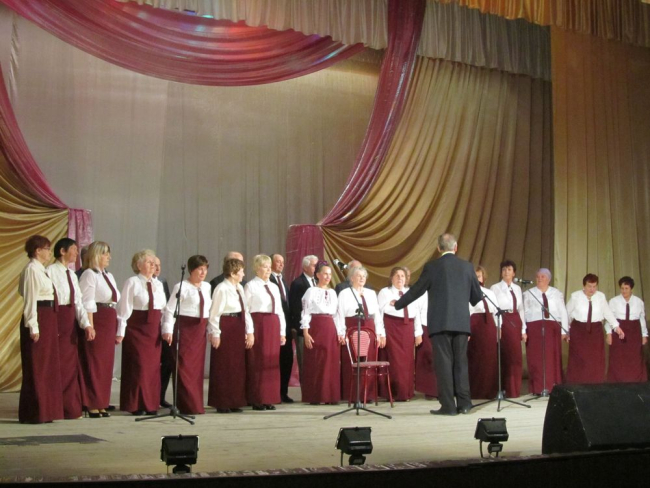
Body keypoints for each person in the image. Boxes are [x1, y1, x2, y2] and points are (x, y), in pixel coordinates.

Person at [394, 233, 482, 416]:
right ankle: (465, 404)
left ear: (438, 248)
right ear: (455, 247)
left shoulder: (432, 267)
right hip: (461, 323)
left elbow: (417, 290)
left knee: (444, 365)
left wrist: (399, 304)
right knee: (461, 363)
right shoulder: (467, 267)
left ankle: (448, 406)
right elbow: (476, 297)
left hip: (440, 323)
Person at [17, 235, 64, 423]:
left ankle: (46, 410)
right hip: (39, 317)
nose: (49, 252)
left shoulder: (41, 270)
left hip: (48, 317)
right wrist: (33, 325)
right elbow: (30, 299)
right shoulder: (31, 270)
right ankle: (35, 412)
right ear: (37, 251)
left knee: (47, 366)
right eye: (47, 249)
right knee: (38, 366)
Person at [116, 249, 167, 415]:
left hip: (153, 330)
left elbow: (163, 309)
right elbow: (124, 308)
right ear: (138, 266)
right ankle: (135, 404)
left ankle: (150, 404)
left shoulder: (158, 284)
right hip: (137, 329)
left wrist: (166, 329)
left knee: (152, 368)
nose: (153, 265)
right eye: (148, 262)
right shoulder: (132, 282)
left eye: (154, 263)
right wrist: (120, 331)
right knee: (139, 366)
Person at [48, 238, 94, 419]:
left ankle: (69, 407)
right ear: (62, 251)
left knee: (69, 366)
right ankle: (54, 407)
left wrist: (86, 324)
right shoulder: (50, 271)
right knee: (56, 365)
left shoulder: (73, 275)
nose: (76, 253)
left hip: (70, 323)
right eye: (73, 249)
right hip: (56, 319)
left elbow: (78, 303)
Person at [162, 255, 211, 414]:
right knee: (184, 367)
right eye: (199, 269)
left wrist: (211, 330)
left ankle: (195, 405)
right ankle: (185, 405)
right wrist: (168, 329)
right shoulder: (181, 286)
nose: (203, 273)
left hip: (199, 331)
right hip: (185, 329)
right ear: (191, 270)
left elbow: (208, 309)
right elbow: (170, 310)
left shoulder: (207, 287)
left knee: (196, 370)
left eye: (205, 269)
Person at [79, 241, 120, 418]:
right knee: (94, 362)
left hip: (109, 318)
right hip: (98, 318)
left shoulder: (108, 275)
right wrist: (90, 325)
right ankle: (91, 403)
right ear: (96, 255)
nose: (108, 257)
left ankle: (102, 402)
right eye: (105, 253)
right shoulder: (89, 274)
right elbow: (87, 301)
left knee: (105, 363)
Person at [207, 258, 254, 413]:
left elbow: (246, 311)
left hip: (237, 326)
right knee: (224, 365)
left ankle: (235, 400)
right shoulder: (221, 288)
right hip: (226, 325)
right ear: (233, 273)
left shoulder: (239, 288)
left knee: (236, 366)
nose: (243, 274)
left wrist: (249, 331)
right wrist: (215, 333)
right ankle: (222, 401)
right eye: (241, 271)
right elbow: (214, 313)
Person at [336, 266, 386, 402]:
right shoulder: (344, 293)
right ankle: (353, 395)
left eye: (364, 276)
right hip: (352, 326)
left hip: (369, 327)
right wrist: (341, 332)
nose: (362, 278)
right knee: (353, 361)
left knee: (369, 362)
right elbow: (340, 314)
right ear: (352, 278)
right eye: (359, 276)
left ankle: (367, 395)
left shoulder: (371, 293)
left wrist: (380, 333)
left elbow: (377, 315)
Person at [245, 255, 286, 410]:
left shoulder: (274, 287)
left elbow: (279, 310)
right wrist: (250, 331)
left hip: (273, 324)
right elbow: (246, 310)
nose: (268, 270)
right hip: (259, 324)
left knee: (271, 360)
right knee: (258, 361)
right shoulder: (251, 286)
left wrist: (282, 331)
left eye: (269, 267)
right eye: (265, 267)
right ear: (257, 268)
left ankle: (269, 398)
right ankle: (257, 398)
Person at [565, 273, 623, 383]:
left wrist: (616, 326)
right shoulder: (575, 296)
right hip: (578, 331)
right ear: (584, 286)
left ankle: (595, 384)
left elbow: (607, 313)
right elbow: (566, 313)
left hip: (596, 331)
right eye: (589, 286)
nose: (592, 289)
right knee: (579, 360)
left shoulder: (600, 296)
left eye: (594, 286)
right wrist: (566, 330)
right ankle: (577, 385)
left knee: (595, 359)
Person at [378, 267, 424, 401]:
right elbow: (380, 314)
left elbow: (416, 313)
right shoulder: (385, 292)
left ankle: (406, 392)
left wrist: (418, 332)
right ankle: (395, 393)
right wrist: (381, 333)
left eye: (402, 276)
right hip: (392, 328)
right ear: (391, 278)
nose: (400, 278)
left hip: (408, 329)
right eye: (397, 275)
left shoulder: (410, 292)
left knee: (407, 361)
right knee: (395, 362)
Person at [301, 263, 343, 404]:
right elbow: (305, 312)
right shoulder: (311, 291)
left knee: (331, 360)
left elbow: (337, 314)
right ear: (318, 275)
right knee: (317, 360)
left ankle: (330, 395)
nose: (327, 277)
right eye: (325, 273)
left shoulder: (333, 292)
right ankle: (316, 395)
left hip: (330, 328)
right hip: (316, 326)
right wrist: (306, 333)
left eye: (330, 274)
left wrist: (340, 332)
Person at [522, 268, 568, 395]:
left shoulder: (556, 293)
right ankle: (537, 388)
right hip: (534, 327)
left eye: (542, 276)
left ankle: (553, 386)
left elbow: (562, 311)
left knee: (551, 357)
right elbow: (523, 312)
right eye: (538, 276)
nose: (539, 279)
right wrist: (523, 329)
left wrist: (564, 330)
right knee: (536, 358)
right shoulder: (529, 293)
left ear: (548, 279)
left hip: (552, 327)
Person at [489, 260, 526, 398]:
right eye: (504, 269)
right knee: (506, 355)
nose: (506, 272)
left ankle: (514, 389)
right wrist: (498, 326)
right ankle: (504, 388)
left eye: (509, 269)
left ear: (514, 273)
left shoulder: (517, 288)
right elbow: (494, 309)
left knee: (516, 356)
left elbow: (521, 309)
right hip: (503, 319)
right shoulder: (495, 288)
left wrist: (523, 329)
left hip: (515, 319)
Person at [467, 266, 499, 400]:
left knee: (489, 357)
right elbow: (466, 311)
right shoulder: (467, 292)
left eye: (479, 276)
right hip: (474, 325)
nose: (477, 279)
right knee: (476, 358)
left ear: (483, 278)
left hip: (489, 325)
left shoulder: (489, 293)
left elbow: (496, 311)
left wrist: (498, 328)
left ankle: (489, 391)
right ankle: (475, 391)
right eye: (475, 277)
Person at [607, 276, 647, 382]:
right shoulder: (613, 301)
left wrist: (644, 335)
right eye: (622, 288)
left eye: (626, 288)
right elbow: (609, 319)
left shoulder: (639, 302)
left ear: (631, 288)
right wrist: (609, 333)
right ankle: (617, 381)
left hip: (634, 331)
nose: (624, 291)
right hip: (619, 331)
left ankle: (635, 381)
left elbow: (642, 319)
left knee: (634, 357)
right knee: (618, 357)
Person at [289, 255, 319, 381]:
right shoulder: (297, 283)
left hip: (317, 328)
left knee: (315, 361)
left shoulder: (318, 282)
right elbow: (296, 308)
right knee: (304, 361)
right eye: (314, 265)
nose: (316, 268)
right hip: (302, 329)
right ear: (305, 267)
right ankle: (305, 387)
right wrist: (300, 328)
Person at [269, 253, 293, 403]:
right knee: (275, 359)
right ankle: (274, 392)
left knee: (286, 359)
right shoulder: (269, 280)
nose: (281, 264)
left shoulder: (283, 280)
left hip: (286, 327)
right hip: (273, 325)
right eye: (278, 261)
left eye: (282, 262)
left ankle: (283, 392)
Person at [155, 256, 174, 409]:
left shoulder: (162, 281)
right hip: (150, 326)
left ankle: (160, 396)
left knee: (167, 362)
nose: (157, 268)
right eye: (154, 264)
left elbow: (168, 305)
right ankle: (152, 397)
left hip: (164, 326)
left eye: (159, 265)